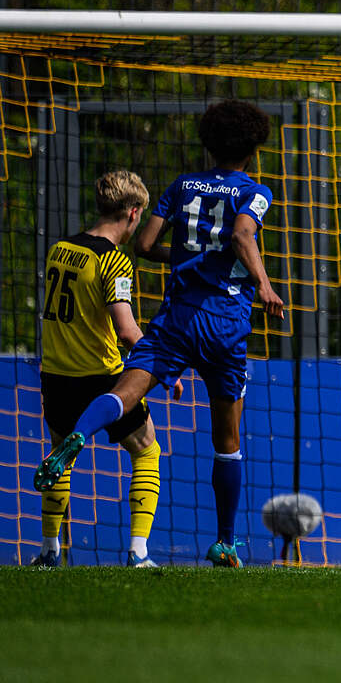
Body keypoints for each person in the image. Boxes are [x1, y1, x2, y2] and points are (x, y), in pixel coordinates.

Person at [34, 100, 285, 569]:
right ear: (253, 149)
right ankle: (226, 542)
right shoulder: (255, 192)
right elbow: (243, 236)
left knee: (125, 393)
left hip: (176, 319)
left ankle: (77, 440)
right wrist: (264, 284)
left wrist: (189, 258)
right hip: (226, 322)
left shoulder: (181, 186)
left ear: (208, 143)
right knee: (227, 440)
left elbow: (147, 246)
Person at [30, 170, 183, 568]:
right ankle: (138, 551)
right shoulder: (114, 261)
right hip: (102, 378)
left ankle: (49, 550)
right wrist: (166, 368)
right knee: (147, 449)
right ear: (133, 214)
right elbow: (127, 329)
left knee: (61, 455)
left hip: (57, 374)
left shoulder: (60, 249)